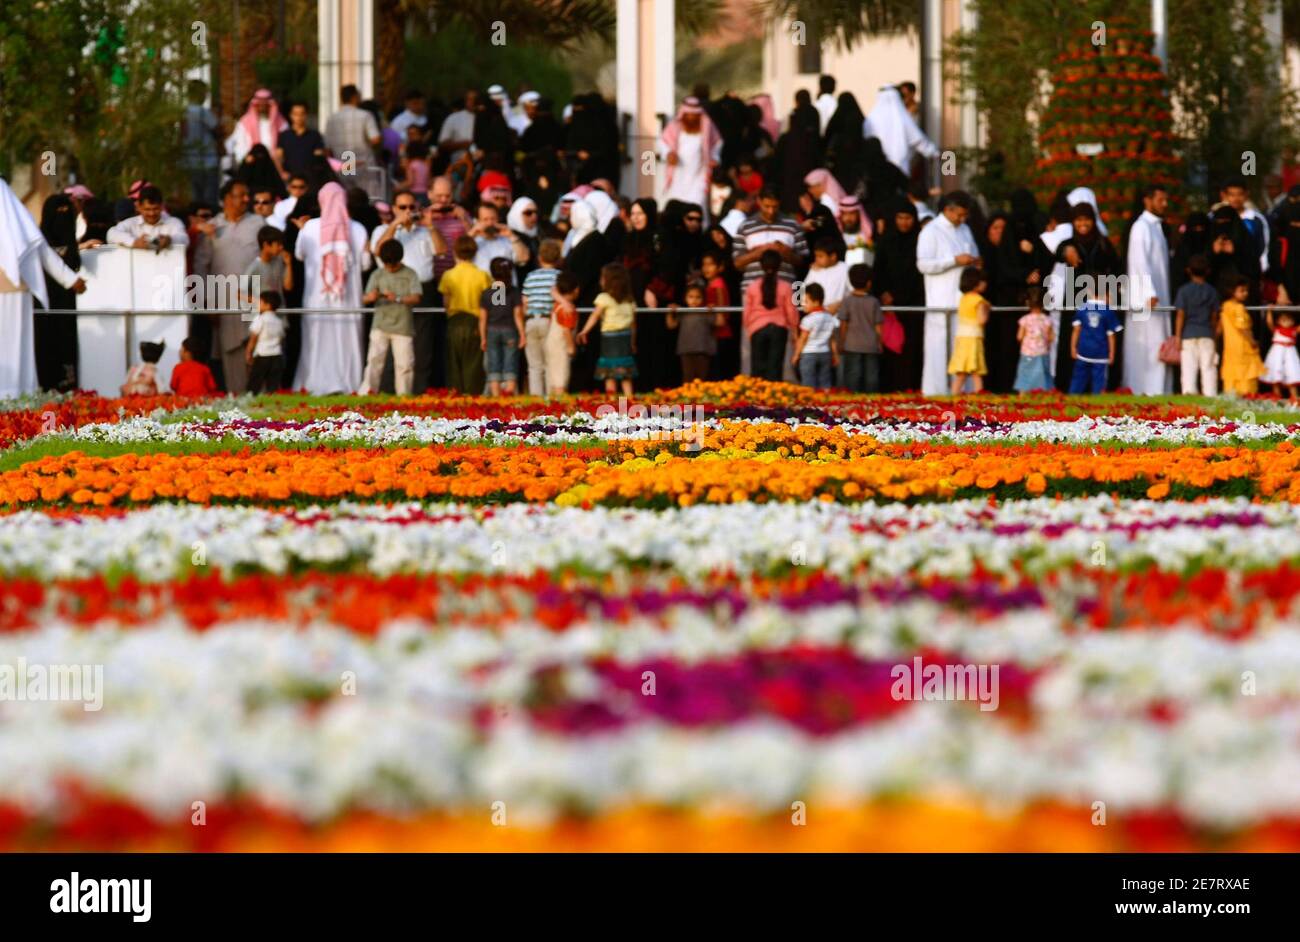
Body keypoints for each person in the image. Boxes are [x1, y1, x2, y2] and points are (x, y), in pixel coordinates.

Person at [293, 181, 371, 395]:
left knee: (316, 340)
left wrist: (302, 231)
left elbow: (299, 255)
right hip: (348, 298)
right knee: (347, 341)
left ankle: (314, 383)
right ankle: (351, 383)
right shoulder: (357, 228)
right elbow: (366, 264)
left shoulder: (309, 227)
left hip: (317, 297)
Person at [193, 179, 262, 392]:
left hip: (255, 298)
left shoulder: (259, 224)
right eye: (240, 195)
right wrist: (206, 303)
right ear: (226, 199)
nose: (246, 199)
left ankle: (263, 403)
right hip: (223, 299)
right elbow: (201, 266)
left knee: (259, 348)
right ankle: (238, 402)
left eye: (246, 194)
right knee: (231, 351)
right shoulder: (212, 227)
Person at [917, 191, 980, 395]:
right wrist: (953, 261)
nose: (962, 219)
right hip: (940, 300)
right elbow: (923, 264)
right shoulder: (931, 231)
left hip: (965, 302)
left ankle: (963, 390)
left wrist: (974, 262)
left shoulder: (965, 229)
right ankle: (937, 390)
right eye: (959, 215)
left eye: (965, 215)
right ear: (947, 209)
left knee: (965, 346)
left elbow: (974, 254)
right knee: (939, 346)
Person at [1124, 184, 1173, 395]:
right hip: (1146, 298)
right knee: (1146, 345)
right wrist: (1148, 291)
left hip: (1158, 295)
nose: (1164, 204)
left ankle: (1159, 389)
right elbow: (1138, 261)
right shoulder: (1141, 227)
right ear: (1147, 200)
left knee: (1158, 343)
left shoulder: (1156, 227)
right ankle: (1143, 389)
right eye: (1160, 199)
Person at [360, 239, 420, 396]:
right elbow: (364, 298)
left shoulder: (410, 274)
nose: (390, 268)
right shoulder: (377, 274)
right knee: (374, 361)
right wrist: (371, 297)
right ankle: (367, 393)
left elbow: (416, 297)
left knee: (405, 364)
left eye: (393, 264)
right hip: (380, 324)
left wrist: (398, 298)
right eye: (387, 264)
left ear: (399, 260)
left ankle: (404, 395)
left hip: (403, 326)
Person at [35, 194, 83, 391]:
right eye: (58, 212)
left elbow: (74, 263)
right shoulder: (38, 241)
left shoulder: (71, 241)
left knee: (66, 349)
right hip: (42, 307)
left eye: (66, 211)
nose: (63, 216)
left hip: (67, 307)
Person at [439, 234, 493, 394]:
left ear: (455, 252)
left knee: (454, 361)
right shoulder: (483, 275)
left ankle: (455, 393)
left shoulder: (448, 275)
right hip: (475, 321)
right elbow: (493, 300)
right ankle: (472, 393)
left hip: (455, 321)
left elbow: (446, 302)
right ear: (475, 252)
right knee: (473, 361)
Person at [578, 262, 637, 396]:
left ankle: (611, 399)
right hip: (625, 337)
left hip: (610, 338)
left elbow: (594, 316)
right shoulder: (630, 300)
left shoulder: (603, 298)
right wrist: (633, 342)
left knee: (609, 371)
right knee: (625, 371)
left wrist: (584, 331)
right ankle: (629, 398)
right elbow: (633, 324)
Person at [659, 97, 722, 222]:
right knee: (675, 210)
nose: (691, 118)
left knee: (697, 209)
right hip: (677, 178)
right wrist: (668, 153)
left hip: (699, 177)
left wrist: (715, 158)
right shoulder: (674, 126)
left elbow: (717, 143)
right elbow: (662, 142)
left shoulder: (707, 126)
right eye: (688, 115)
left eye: (695, 115)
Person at [744, 249, 800, 382]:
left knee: (758, 367)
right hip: (779, 328)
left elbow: (747, 312)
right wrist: (795, 329)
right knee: (775, 366)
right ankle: (774, 398)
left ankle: (757, 397)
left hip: (757, 328)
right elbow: (791, 311)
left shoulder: (752, 287)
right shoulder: (786, 286)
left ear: (761, 265)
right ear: (779, 266)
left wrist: (748, 328)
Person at [862, 85, 939, 176]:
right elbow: (918, 141)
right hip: (899, 170)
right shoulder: (902, 119)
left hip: (875, 171)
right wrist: (934, 153)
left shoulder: (870, 120)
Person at [1172, 255, 1220, 396]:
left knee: (1189, 368)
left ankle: (1189, 392)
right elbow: (1214, 316)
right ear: (1208, 271)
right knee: (1208, 367)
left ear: (1188, 271)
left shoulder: (1184, 291)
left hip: (1188, 333)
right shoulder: (1212, 291)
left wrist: (1177, 336)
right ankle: (1210, 393)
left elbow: (1180, 315)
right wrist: (1214, 334)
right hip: (1207, 333)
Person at [478, 257, 525, 396]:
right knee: (510, 363)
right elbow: (518, 315)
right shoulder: (514, 292)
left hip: (492, 330)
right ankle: (509, 393)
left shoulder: (486, 293)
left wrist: (482, 337)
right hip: (510, 330)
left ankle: (496, 397)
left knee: (494, 364)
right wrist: (522, 334)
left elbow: (482, 318)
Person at [522, 239, 562, 395]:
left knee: (534, 365)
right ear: (558, 258)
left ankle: (536, 397)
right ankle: (549, 397)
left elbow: (524, 301)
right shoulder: (559, 276)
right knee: (550, 362)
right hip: (549, 320)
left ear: (539, 258)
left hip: (531, 320)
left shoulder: (531, 276)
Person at [1069, 283, 1123, 395]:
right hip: (1101, 354)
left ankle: (1071, 402)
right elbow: (1111, 335)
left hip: (1083, 351)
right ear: (1106, 292)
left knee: (1078, 380)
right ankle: (1097, 404)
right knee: (1099, 383)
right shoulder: (1108, 311)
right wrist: (1112, 353)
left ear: (1088, 290)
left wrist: (1073, 347)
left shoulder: (1082, 308)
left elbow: (1076, 330)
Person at [837, 263, 883, 393]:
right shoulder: (874, 301)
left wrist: (841, 342)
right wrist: (880, 343)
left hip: (852, 344)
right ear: (869, 283)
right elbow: (878, 325)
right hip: (871, 344)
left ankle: (853, 396)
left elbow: (843, 324)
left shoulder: (847, 301)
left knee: (853, 373)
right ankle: (871, 397)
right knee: (872, 375)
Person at [667, 279, 722, 384]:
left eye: (698, 297)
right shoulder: (683, 312)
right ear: (685, 298)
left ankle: (700, 399)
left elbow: (720, 323)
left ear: (703, 299)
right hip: (686, 350)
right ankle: (687, 399)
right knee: (687, 377)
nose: (694, 300)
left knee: (702, 378)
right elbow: (671, 325)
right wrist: (670, 313)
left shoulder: (705, 312)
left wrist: (716, 310)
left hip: (703, 350)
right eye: (691, 297)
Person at [106, 185, 189, 249]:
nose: (151, 213)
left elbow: (184, 240)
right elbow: (111, 234)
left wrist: (169, 240)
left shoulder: (174, 222)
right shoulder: (130, 223)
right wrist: (134, 242)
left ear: (162, 206)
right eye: (147, 209)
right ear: (139, 207)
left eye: (155, 209)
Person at [947, 267, 989, 395]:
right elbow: (982, 320)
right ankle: (979, 395)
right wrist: (987, 311)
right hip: (973, 338)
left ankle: (953, 395)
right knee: (977, 371)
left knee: (961, 372)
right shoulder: (978, 300)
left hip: (961, 338)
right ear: (976, 282)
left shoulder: (963, 298)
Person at [1220, 276, 1264, 396]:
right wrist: (1252, 341)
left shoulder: (1225, 306)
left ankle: (1231, 394)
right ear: (1232, 291)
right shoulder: (1239, 308)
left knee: (1232, 371)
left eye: (1246, 290)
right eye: (1242, 291)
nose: (1246, 293)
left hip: (1229, 347)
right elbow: (1243, 328)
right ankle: (1247, 394)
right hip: (1242, 346)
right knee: (1246, 372)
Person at [325, 84, 381, 176]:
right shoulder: (365, 115)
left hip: (342, 167)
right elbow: (376, 139)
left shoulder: (331, 119)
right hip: (364, 166)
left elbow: (327, 148)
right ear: (355, 97)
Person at [792, 283, 838, 389]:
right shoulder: (829, 317)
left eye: (806, 301)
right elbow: (832, 339)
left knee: (808, 381)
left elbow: (803, 339)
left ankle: (809, 402)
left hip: (808, 354)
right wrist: (835, 354)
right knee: (825, 381)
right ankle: (825, 402)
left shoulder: (808, 319)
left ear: (816, 302)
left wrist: (796, 354)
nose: (803, 304)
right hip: (825, 353)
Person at [182, 80, 221, 204]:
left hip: (187, 161)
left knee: (194, 200)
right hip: (206, 160)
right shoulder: (202, 111)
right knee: (209, 200)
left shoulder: (183, 111)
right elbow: (217, 130)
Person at [227, 88, 287, 168]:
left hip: (274, 166)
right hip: (252, 165)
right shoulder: (244, 122)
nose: (262, 106)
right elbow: (239, 144)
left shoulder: (281, 122)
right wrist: (245, 157)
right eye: (260, 104)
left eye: (265, 104)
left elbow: (286, 143)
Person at [546, 271, 581, 397]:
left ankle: (553, 400)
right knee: (561, 374)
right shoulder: (568, 309)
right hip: (560, 345)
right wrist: (571, 346)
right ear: (576, 290)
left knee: (553, 373)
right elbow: (566, 329)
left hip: (552, 343)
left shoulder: (557, 304)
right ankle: (560, 400)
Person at [245, 290, 287, 394]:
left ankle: (251, 402)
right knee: (272, 385)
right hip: (277, 356)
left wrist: (248, 353)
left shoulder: (260, 319)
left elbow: (253, 337)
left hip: (262, 355)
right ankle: (271, 402)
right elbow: (281, 338)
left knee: (254, 384)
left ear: (268, 305)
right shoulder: (279, 321)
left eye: (260, 302)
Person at [242, 226, 293, 311]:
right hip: (261, 318)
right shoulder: (254, 267)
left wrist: (288, 264)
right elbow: (240, 293)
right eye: (278, 244)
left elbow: (288, 287)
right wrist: (261, 303)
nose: (281, 247)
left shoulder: (279, 262)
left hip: (280, 316)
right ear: (266, 245)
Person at [1014, 285, 1054, 393]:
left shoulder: (1025, 319)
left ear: (1028, 303)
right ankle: (1044, 395)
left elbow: (1019, 336)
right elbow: (1051, 337)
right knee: (1043, 374)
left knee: (1025, 374)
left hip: (1027, 353)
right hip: (1042, 352)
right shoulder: (1047, 320)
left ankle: (1022, 394)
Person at [276, 101, 327, 180]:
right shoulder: (284, 136)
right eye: (296, 114)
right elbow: (278, 156)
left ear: (306, 115)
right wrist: (282, 173)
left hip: (310, 180)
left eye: (302, 114)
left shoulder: (315, 136)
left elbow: (319, 158)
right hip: (290, 180)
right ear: (290, 115)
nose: (299, 117)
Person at [804, 237, 849, 314]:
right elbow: (801, 291)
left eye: (820, 256)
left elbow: (854, 292)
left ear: (833, 257)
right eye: (816, 256)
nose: (816, 259)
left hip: (838, 315)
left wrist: (839, 304)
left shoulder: (845, 269)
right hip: (815, 316)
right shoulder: (814, 270)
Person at [1262, 308, 1300, 397]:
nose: (1287, 322)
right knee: (1276, 375)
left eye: (1289, 320)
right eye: (1284, 320)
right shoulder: (1276, 330)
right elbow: (1269, 323)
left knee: (1292, 374)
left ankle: (1295, 398)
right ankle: (1277, 398)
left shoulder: (1294, 330)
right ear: (1278, 321)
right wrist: (1269, 311)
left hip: (1290, 354)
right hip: (1277, 354)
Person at [438, 89, 478, 166]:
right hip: (459, 163)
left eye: (475, 99)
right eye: (470, 99)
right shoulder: (454, 118)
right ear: (465, 101)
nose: (473, 102)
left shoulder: (487, 118)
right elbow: (442, 144)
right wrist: (463, 144)